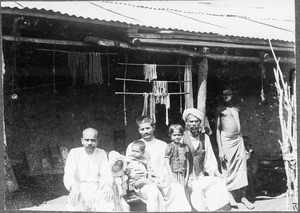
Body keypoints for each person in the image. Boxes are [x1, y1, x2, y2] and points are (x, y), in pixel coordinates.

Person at [125, 115, 191, 212]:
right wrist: (131, 174)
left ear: (153, 128)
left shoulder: (163, 145)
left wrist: (166, 179)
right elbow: (127, 166)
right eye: (142, 129)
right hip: (143, 182)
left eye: (148, 128)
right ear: (139, 130)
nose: (146, 131)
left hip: (160, 180)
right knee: (153, 191)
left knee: (177, 188)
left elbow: (165, 166)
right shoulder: (134, 145)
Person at [182, 108, 230, 211]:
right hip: (185, 177)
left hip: (200, 176)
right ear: (186, 122)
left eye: (196, 121)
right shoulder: (182, 138)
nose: (194, 124)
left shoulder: (204, 138)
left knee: (218, 183)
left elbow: (210, 160)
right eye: (191, 121)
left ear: (199, 122)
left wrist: (217, 173)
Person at [216, 88, 254, 209]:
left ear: (233, 95)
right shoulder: (220, 110)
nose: (226, 97)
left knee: (242, 168)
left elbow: (239, 127)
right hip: (226, 142)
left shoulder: (236, 108)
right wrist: (221, 149)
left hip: (238, 141)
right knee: (228, 168)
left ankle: (243, 197)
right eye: (224, 95)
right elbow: (217, 130)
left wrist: (245, 147)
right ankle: (230, 196)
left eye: (228, 94)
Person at [63, 127, 114, 211]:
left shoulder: (101, 153)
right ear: (82, 140)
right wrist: (74, 187)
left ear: (97, 141)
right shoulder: (74, 153)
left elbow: (106, 173)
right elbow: (69, 173)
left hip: (96, 188)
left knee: (108, 202)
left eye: (93, 140)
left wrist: (107, 185)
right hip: (78, 188)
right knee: (73, 206)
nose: (89, 143)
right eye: (87, 140)